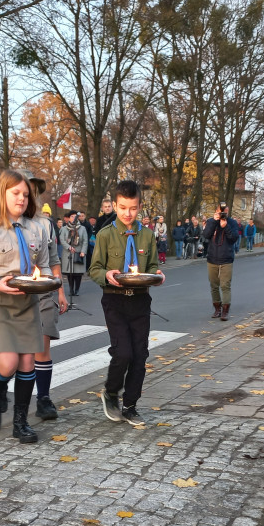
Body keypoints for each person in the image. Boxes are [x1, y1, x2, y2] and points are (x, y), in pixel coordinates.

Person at [0, 169, 56, 443]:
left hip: (27, 302)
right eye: (15, 193)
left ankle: (20, 422)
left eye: (25, 194)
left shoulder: (37, 228)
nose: (21, 199)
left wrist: (47, 281)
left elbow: (42, 265)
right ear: (2, 194)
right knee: (8, 364)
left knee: (28, 363)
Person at [89, 179, 165, 427]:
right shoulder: (105, 235)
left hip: (140, 301)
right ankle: (111, 392)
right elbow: (95, 269)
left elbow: (152, 266)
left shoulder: (147, 235)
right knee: (123, 353)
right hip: (115, 300)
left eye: (132, 208)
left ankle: (130, 405)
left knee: (140, 355)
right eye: (122, 207)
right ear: (114, 205)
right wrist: (107, 276)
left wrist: (157, 275)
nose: (127, 213)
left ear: (139, 206)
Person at [25, 174, 68, 421]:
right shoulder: (7, 222)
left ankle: (43, 398)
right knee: (17, 354)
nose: (28, 196)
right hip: (17, 293)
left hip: (43, 291)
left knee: (42, 347)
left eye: (33, 192)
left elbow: (53, 259)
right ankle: (1, 393)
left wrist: (60, 290)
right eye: (23, 191)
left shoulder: (46, 223)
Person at [203, 204, 239, 321]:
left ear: (228, 212)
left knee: (225, 286)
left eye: (225, 212)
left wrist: (226, 226)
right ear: (216, 211)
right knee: (214, 285)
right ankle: (217, 309)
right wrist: (214, 221)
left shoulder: (232, 222)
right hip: (212, 258)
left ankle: (225, 311)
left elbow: (234, 238)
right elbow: (206, 235)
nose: (223, 214)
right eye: (220, 212)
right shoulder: (211, 221)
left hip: (226, 258)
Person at [60, 211, 88, 296]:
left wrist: (83, 251)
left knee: (78, 273)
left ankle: (77, 289)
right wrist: (69, 247)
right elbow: (62, 240)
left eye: (75, 216)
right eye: (71, 216)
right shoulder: (64, 229)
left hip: (78, 252)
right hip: (68, 253)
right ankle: (71, 289)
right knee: (70, 273)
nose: (73, 218)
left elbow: (85, 241)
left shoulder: (82, 228)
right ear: (69, 218)